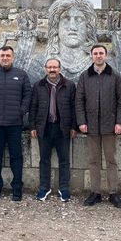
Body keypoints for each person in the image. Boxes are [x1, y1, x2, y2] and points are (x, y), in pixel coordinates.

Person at [75, 44, 121, 208]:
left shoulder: (115, 76)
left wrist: (119, 122)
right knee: (93, 161)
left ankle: (113, 193)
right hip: (91, 127)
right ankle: (95, 192)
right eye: (95, 53)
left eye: (101, 53)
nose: (98, 56)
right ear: (91, 56)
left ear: (106, 56)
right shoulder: (84, 76)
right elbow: (79, 101)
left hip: (110, 126)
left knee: (111, 161)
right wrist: (81, 122)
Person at [0, 46, 32, 201]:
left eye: (8, 55)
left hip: (15, 123)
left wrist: (21, 111)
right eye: (2, 55)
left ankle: (17, 186)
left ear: (13, 57)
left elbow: (28, 95)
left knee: (16, 155)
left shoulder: (21, 75)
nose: (5, 58)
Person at [29, 58, 77, 202]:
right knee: (44, 160)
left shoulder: (69, 85)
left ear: (60, 69)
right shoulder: (38, 85)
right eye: (49, 67)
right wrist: (32, 126)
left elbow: (74, 108)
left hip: (63, 128)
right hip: (44, 128)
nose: (52, 70)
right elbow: (33, 107)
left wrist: (74, 127)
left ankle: (64, 189)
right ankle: (44, 188)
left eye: (55, 67)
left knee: (64, 160)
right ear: (45, 69)